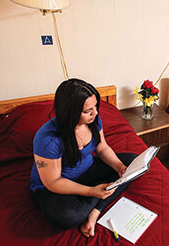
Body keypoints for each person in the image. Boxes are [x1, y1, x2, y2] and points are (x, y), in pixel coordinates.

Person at [30, 78, 137, 237]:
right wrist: (91, 191)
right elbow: (53, 182)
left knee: (133, 164)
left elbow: (102, 148)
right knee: (67, 217)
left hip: (88, 171)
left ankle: (94, 212)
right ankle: (101, 194)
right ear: (70, 112)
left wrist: (120, 167)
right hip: (54, 187)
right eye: (88, 111)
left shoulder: (93, 120)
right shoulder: (47, 140)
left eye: (95, 107)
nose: (95, 113)